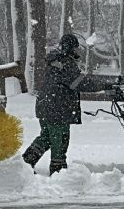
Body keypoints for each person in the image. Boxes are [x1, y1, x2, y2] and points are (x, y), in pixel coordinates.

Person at [23, 33, 90, 174]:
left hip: (46, 106)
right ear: (70, 48)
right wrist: (107, 86)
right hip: (57, 109)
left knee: (47, 137)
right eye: (76, 48)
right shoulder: (66, 63)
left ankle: (26, 163)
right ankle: (58, 171)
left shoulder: (56, 61)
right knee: (60, 139)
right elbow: (78, 83)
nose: (78, 51)